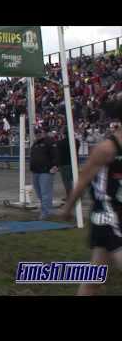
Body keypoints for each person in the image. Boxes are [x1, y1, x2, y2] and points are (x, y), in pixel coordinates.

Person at [62, 92, 122, 296]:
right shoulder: (106, 148)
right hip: (106, 215)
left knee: (93, 281)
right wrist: (68, 209)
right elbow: (83, 180)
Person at [30, 128, 59, 220]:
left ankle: (45, 212)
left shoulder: (49, 141)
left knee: (45, 192)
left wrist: (55, 165)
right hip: (36, 171)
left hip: (46, 171)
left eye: (39, 132)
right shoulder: (35, 143)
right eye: (36, 133)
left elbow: (56, 154)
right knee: (39, 193)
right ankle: (45, 209)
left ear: (43, 132)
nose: (37, 134)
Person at [57, 129, 81, 200]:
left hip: (64, 164)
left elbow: (58, 152)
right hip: (74, 163)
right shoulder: (76, 141)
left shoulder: (61, 142)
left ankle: (69, 196)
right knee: (74, 180)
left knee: (67, 181)